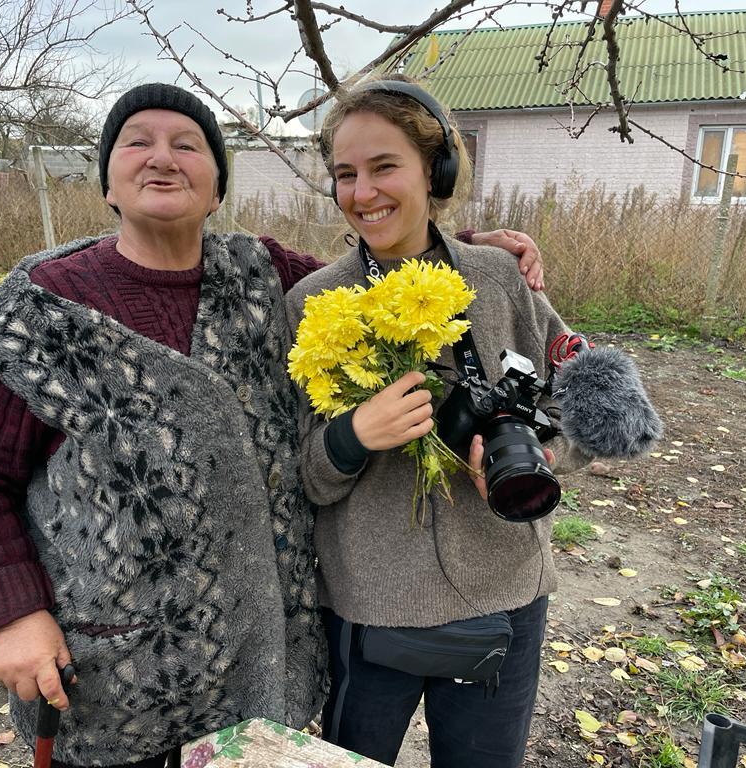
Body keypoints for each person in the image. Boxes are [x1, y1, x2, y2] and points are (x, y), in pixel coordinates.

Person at [0, 83, 546, 768]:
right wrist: (14, 613)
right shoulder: (50, 307)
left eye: (187, 145)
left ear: (217, 187)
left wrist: (460, 247)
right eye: (138, 142)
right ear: (107, 180)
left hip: (253, 661)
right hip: (111, 669)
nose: (163, 159)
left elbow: (376, 275)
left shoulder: (261, 278)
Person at [284, 78, 592, 768]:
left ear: (437, 169)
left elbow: (588, 404)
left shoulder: (502, 277)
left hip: (502, 595)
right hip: (368, 607)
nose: (363, 192)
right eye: (345, 174)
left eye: (384, 166)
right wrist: (351, 438)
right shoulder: (311, 302)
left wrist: (538, 453)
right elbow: (295, 472)